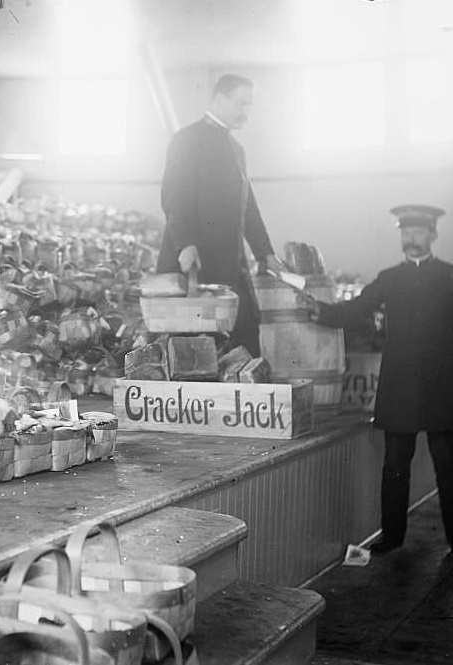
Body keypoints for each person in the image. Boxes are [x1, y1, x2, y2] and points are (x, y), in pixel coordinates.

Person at [303, 204, 453, 554]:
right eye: (405, 232)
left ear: (432, 234)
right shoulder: (389, 278)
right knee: (395, 466)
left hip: (442, 385)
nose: (410, 238)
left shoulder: (449, 277)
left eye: (417, 232)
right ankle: (393, 537)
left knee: (448, 467)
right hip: (401, 386)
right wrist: (320, 311)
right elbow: (355, 310)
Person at [157, 73, 285, 356]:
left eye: (249, 106)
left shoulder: (237, 149)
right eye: (241, 104)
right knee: (194, 344)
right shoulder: (187, 139)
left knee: (245, 334)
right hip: (195, 262)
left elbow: (248, 206)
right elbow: (173, 195)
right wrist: (185, 243)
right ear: (218, 99)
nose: (246, 113)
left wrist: (266, 253)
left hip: (230, 263)